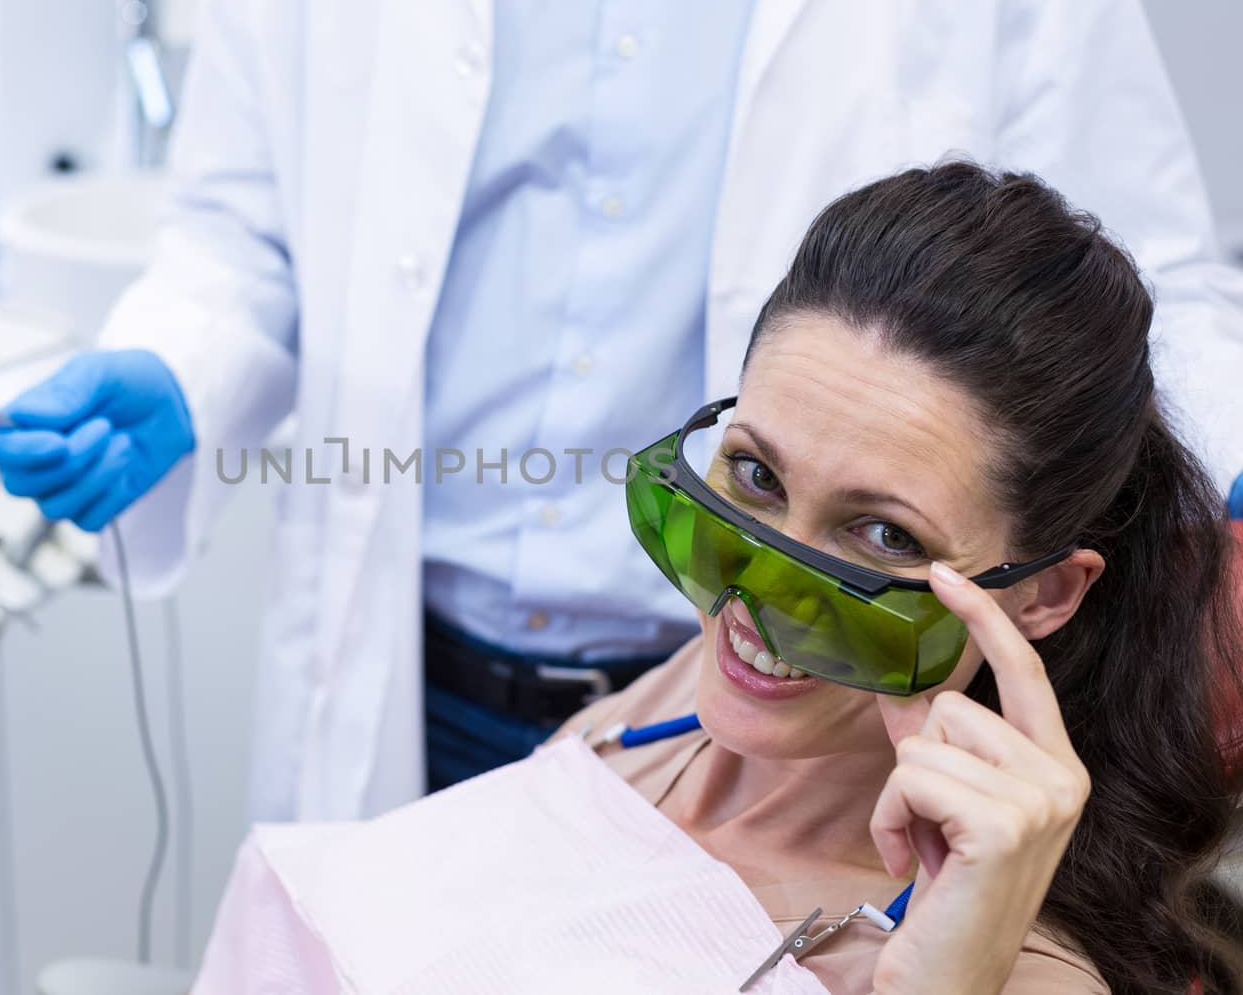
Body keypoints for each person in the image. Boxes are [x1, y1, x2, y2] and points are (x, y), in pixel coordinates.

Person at [0, 0, 1243, 820]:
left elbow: (1152, 273)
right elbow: (240, 232)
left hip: (789, 690)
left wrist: (1229, 481)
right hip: (413, 679)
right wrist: (181, 359)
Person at [195, 164, 1243, 994]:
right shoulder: (664, 712)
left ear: (1042, 593)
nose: (756, 600)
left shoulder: (1006, 967)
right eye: (753, 474)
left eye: (880, 533)